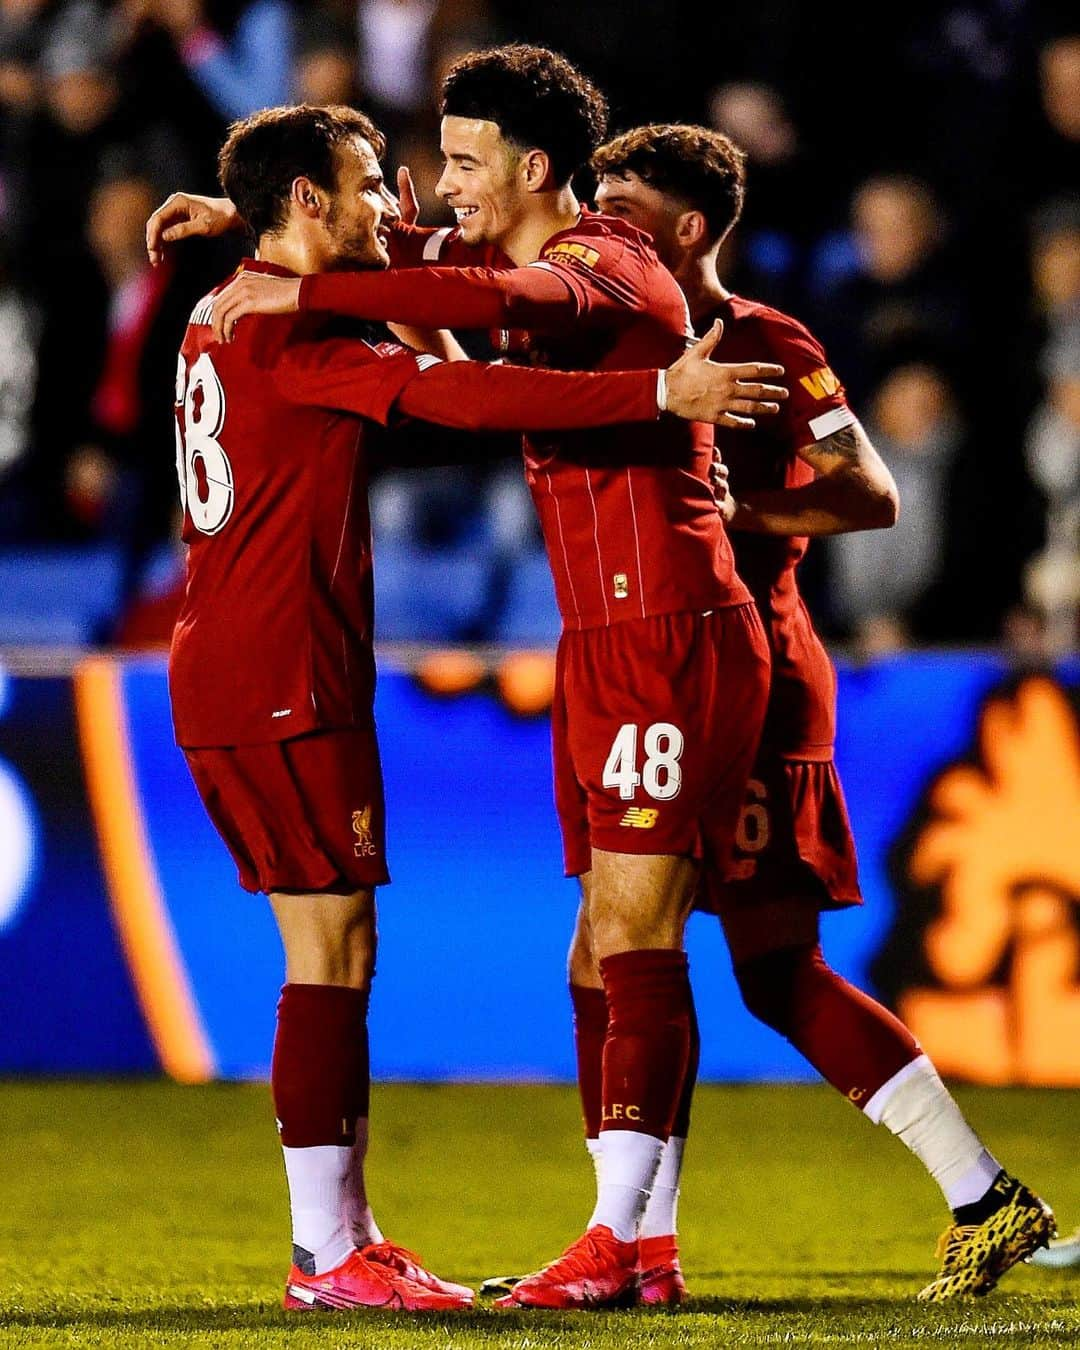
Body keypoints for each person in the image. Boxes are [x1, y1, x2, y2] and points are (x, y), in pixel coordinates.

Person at [151, 45, 785, 1310]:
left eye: (448, 165)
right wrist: (662, 388)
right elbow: (464, 388)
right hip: (293, 669)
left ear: (533, 167)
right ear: (313, 204)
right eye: (383, 177)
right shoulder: (279, 322)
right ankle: (339, 1253)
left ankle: (610, 1240)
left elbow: (512, 309)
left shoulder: (591, 257)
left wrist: (275, 243)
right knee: (350, 949)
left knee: (612, 938)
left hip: (614, 631)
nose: (418, 195)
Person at [573, 121, 1051, 1303]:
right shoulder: (606, 330)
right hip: (645, 669)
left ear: (690, 229)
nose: (600, 222)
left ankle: (639, 1244)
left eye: (623, 205)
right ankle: (652, 1244)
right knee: (638, 951)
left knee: (688, 957)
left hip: (749, 677)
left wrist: (749, 521)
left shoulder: (769, 341)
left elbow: (874, 493)